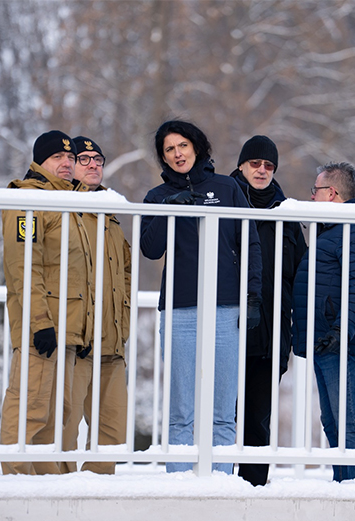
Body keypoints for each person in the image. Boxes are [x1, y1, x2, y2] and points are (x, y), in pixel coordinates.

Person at [141, 120, 263, 474]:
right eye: (169, 149)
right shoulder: (157, 196)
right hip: (180, 309)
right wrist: (170, 210)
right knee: (181, 411)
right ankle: (179, 486)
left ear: (196, 146)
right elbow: (150, 248)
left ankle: (221, 484)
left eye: (183, 145)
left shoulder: (227, 188)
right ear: (163, 157)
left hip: (226, 309)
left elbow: (250, 242)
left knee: (223, 411)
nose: (177, 154)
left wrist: (252, 296)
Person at [0, 130, 94, 475]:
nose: (67, 162)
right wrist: (40, 323)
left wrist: (84, 328)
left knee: (58, 413)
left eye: (70, 157)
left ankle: (44, 487)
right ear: (39, 161)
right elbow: (23, 267)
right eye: (58, 157)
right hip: (41, 326)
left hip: (68, 330)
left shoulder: (70, 201)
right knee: (30, 407)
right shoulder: (29, 199)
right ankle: (15, 482)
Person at [292, 161, 355, 482]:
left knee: (350, 423)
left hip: (341, 342)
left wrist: (342, 330)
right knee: (333, 423)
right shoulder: (335, 230)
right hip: (326, 341)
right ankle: (345, 490)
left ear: (331, 193)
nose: (311, 197)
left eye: (314, 191)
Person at [230, 135, 307, 486]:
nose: (262, 170)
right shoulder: (223, 201)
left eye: (269, 165)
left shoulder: (287, 213)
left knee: (258, 419)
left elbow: (301, 272)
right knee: (221, 416)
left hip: (272, 332)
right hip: (229, 328)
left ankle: (253, 489)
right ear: (241, 165)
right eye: (255, 163)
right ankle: (213, 486)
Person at [60, 136, 131, 475]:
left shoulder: (110, 213)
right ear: (69, 164)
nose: (93, 165)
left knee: (113, 429)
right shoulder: (62, 209)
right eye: (84, 158)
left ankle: (98, 492)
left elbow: (126, 270)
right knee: (65, 425)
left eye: (98, 159)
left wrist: (124, 319)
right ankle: (58, 491)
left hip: (111, 342)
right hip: (77, 340)